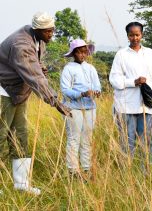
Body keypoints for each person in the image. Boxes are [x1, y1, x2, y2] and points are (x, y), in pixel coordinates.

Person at [0, 12, 71, 195]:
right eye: (48, 32)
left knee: (20, 137)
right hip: (3, 92)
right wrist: (55, 102)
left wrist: (39, 67)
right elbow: (34, 76)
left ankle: (21, 184)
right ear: (37, 29)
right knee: (0, 137)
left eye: (52, 30)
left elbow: (33, 67)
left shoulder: (38, 40)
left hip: (19, 92)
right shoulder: (21, 44)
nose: (51, 35)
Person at [109, 22, 152, 171]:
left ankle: (149, 174)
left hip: (148, 106)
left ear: (142, 35)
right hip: (127, 106)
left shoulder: (150, 53)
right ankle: (126, 175)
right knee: (127, 142)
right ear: (127, 36)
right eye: (131, 35)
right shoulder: (121, 54)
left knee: (148, 140)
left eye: (137, 34)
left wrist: (147, 83)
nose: (135, 38)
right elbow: (114, 80)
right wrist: (133, 82)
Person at [61, 39, 101, 178]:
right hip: (73, 108)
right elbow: (65, 90)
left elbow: (97, 86)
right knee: (74, 138)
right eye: (79, 52)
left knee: (87, 138)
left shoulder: (90, 68)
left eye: (85, 52)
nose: (83, 55)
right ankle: (73, 170)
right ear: (73, 53)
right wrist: (82, 94)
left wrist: (96, 92)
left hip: (90, 107)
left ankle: (86, 168)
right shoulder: (68, 69)